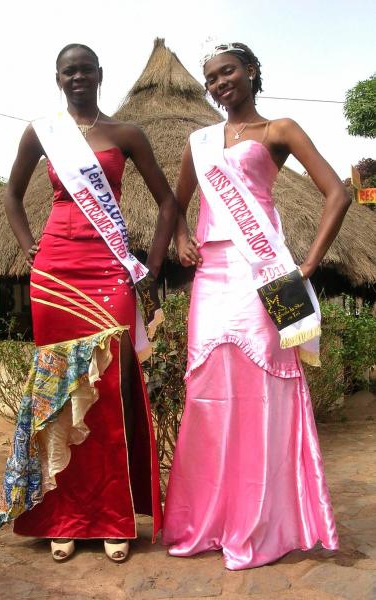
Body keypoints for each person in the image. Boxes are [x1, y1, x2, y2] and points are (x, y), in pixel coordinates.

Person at [162, 42, 350, 570]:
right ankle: (209, 520)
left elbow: (338, 193)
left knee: (263, 393)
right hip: (210, 279)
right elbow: (175, 201)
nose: (220, 83)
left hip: (262, 274)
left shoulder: (279, 130)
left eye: (228, 72)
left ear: (251, 72)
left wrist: (307, 267)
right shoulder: (199, 141)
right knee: (207, 396)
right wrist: (180, 236)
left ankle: (262, 522)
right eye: (212, 78)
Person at [0, 43, 177, 563]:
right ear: (58, 77)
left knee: (111, 389)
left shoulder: (126, 134)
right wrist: (26, 246)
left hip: (109, 270)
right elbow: (11, 194)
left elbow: (168, 202)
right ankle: (63, 516)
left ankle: (113, 515)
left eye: (86, 70)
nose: (78, 77)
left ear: (100, 75)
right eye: (68, 70)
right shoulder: (41, 132)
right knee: (59, 390)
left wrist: (152, 267)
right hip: (55, 271)